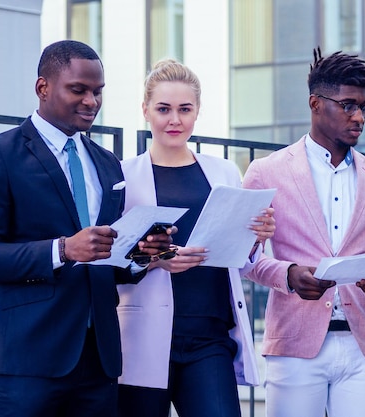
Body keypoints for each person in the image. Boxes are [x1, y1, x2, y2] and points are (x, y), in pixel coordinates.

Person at [0, 40, 170, 417]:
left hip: (99, 360)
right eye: (79, 89)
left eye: (98, 91)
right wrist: (61, 249)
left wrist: (143, 254)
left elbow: (110, 261)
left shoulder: (108, 164)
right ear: (43, 88)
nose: (91, 101)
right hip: (27, 360)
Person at [241, 48, 365, 417]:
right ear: (316, 103)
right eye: (348, 105)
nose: (359, 116)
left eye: (364, 107)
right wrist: (288, 275)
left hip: (363, 345)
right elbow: (247, 256)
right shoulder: (265, 173)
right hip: (295, 344)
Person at [116, 59, 275, 417]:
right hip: (142, 337)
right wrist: (157, 260)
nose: (175, 119)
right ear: (145, 110)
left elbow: (240, 258)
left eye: (185, 109)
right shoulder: (123, 176)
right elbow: (110, 258)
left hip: (209, 336)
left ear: (197, 111)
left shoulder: (224, 171)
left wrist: (256, 238)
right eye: (164, 109)